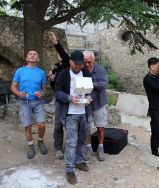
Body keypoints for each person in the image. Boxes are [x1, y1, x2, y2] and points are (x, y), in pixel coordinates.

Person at [54, 50, 92, 185]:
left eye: (81, 65)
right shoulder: (63, 74)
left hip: (84, 112)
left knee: (82, 140)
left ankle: (79, 161)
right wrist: (69, 98)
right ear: (70, 61)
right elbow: (57, 92)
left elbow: (88, 90)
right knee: (71, 142)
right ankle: (69, 170)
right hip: (70, 113)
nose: (78, 67)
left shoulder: (86, 72)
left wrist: (88, 97)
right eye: (76, 64)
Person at [11, 50, 47, 159]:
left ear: (38, 59)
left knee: (42, 124)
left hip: (38, 102)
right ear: (27, 58)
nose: (32, 55)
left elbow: (44, 90)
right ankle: (30, 145)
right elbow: (13, 86)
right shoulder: (20, 71)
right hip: (24, 101)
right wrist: (18, 93)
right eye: (30, 54)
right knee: (27, 125)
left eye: (35, 54)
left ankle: (40, 141)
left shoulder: (41, 72)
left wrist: (41, 94)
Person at [82, 51, 108, 162]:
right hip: (86, 104)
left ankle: (100, 148)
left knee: (100, 126)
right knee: (87, 126)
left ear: (94, 60)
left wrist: (90, 84)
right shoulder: (81, 70)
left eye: (89, 62)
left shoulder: (101, 70)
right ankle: (89, 148)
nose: (87, 64)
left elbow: (103, 84)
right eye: (85, 62)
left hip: (99, 103)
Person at [48, 31, 70, 160]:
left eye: (61, 52)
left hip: (70, 100)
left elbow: (65, 56)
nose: (59, 55)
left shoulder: (68, 65)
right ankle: (58, 148)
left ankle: (70, 146)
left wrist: (56, 43)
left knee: (70, 124)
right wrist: (52, 79)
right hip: (59, 101)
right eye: (58, 54)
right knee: (58, 125)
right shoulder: (56, 69)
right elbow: (55, 89)